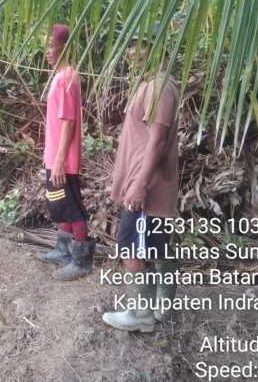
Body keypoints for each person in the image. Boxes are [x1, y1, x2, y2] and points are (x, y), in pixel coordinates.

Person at [102, 24, 180, 332]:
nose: (134, 51)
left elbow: (157, 140)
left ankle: (140, 314)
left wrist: (138, 184)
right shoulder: (154, 84)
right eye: (131, 45)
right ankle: (164, 303)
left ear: (160, 49)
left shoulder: (159, 86)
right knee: (156, 246)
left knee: (132, 248)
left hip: (146, 190)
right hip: (148, 187)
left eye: (142, 44)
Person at [37, 24, 95, 280]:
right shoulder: (60, 76)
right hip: (55, 156)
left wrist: (60, 160)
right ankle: (63, 250)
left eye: (51, 46)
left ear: (65, 47)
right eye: (47, 46)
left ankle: (82, 261)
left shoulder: (67, 77)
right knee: (60, 202)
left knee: (72, 206)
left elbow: (69, 121)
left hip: (64, 159)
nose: (47, 51)